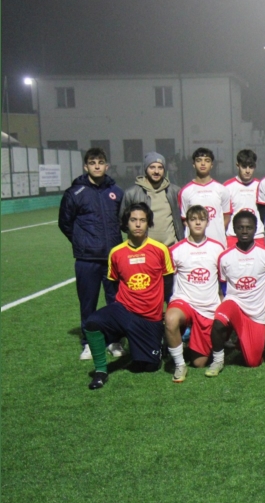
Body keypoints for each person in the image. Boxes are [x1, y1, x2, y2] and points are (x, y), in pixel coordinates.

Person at [83, 202, 175, 389]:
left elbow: (168, 283)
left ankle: (156, 342)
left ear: (148, 223)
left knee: (148, 366)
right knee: (92, 323)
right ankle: (101, 371)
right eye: (133, 220)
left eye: (143, 220)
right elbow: (114, 284)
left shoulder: (160, 250)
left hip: (150, 317)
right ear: (126, 223)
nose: (138, 224)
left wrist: (166, 311)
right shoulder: (116, 253)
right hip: (125, 310)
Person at [58, 147, 125, 361]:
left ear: (107, 166)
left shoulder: (116, 192)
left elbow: (123, 221)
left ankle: (114, 341)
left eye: (100, 162)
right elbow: (65, 223)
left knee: (115, 302)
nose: (97, 166)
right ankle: (89, 343)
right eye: (92, 162)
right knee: (88, 303)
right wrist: (81, 242)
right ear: (86, 167)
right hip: (87, 259)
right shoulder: (75, 193)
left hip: (113, 258)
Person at [204, 211, 265, 377]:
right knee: (218, 322)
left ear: (255, 229)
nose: (244, 231)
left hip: (256, 312)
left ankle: (242, 338)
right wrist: (228, 302)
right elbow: (224, 286)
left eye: (248, 228)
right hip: (234, 303)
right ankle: (218, 360)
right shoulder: (225, 257)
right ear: (234, 229)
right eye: (240, 227)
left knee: (253, 362)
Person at [164, 205, 226, 382]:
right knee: (171, 319)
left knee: (199, 363)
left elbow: (223, 280)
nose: (198, 223)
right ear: (186, 222)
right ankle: (179, 365)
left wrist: (222, 301)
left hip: (208, 307)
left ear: (207, 222)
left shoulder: (218, 248)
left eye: (202, 219)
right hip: (184, 302)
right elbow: (168, 282)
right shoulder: (176, 250)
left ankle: (189, 338)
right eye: (193, 219)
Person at [120, 151, 183, 247]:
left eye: (160, 167)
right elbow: (123, 222)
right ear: (146, 169)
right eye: (152, 167)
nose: (156, 171)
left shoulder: (175, 191)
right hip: (145, 249)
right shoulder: (132, 193)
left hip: (172, 248)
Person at [178, 148, 231, 245]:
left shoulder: (222, 190)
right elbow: (184, 220)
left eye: (207, 161)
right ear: (193, 164)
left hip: (218, 244)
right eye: (199, 160)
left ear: (212, 165)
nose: (203, 164)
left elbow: (227, 217)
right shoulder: (185, 191)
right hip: (194, 245)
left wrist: (216, 232)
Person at [224, 149, 265, 248]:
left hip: (257, 236)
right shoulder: (227, 187)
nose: (247, 171)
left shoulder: (261, 186)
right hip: (233, 236)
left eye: (251, 167)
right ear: (237, 165)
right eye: (244, 166)